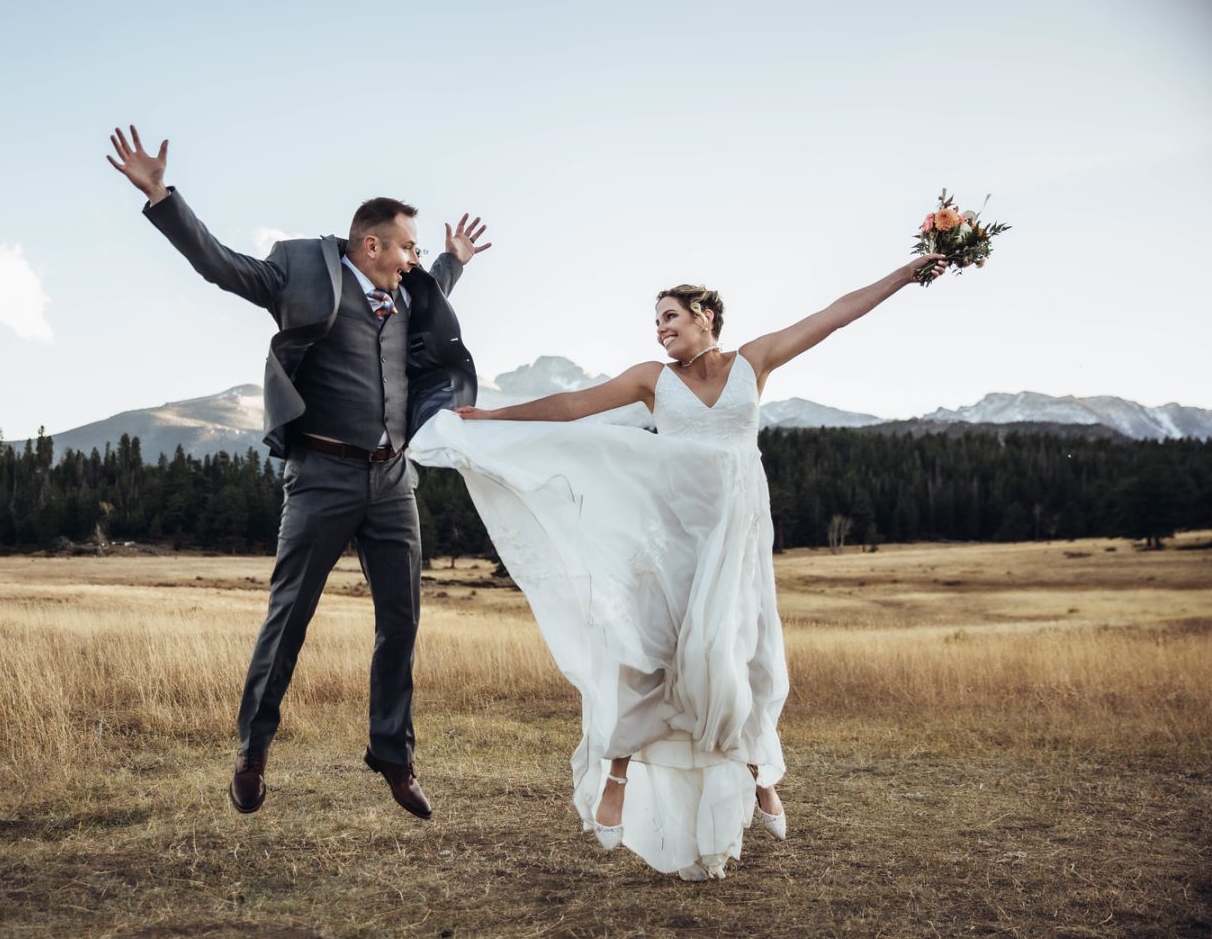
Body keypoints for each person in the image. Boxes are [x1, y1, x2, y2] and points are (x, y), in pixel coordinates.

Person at [408, 253, 948, 879]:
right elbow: (575, 405)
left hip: (736, 541)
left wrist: (906, 274)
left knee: (740, 657)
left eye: (670, 317)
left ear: (706, 317)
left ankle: (757, 777)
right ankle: (615, 778)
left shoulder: (755, 361)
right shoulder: (652, 379)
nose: (660, 329)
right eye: (656, 320)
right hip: (671, 540)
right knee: (650, 656)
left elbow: (832, 316)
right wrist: (495, 418)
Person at [107, 125, 492, 820]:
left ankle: (393, 754)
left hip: (393, 481)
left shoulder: (411, 297)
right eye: (408, 245)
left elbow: (432, 291)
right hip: (321, 476)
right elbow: (223, 266)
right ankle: (253, 751)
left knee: (401, 621)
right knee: (289, 618)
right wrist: (162, 197)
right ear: (370, 245)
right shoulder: (301, 273)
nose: (416, 259)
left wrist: (455, 262)